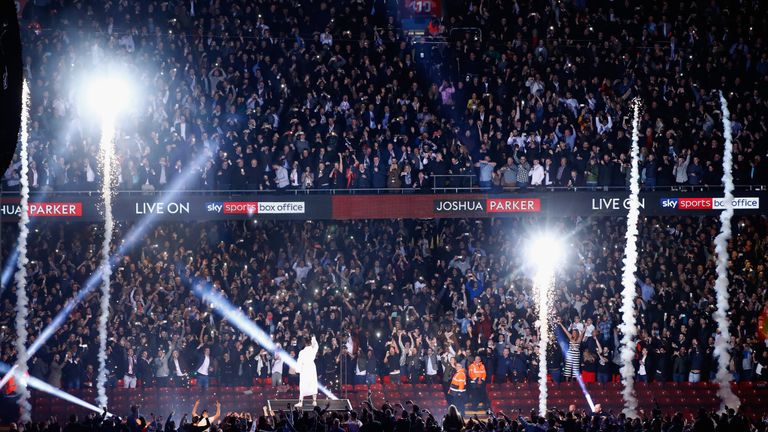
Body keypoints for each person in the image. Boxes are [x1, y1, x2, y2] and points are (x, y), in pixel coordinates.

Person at [296, 335, 320, 407]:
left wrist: (298, 370)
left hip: (305, 368)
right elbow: (316, 345)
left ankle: (301, 402)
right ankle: (314, 401)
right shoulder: (313, 350)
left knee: (303, 384)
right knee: (313, 383)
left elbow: (299, 362)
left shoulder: (302, 352)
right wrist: (313, 338)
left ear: (305, 343)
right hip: (311, 367)